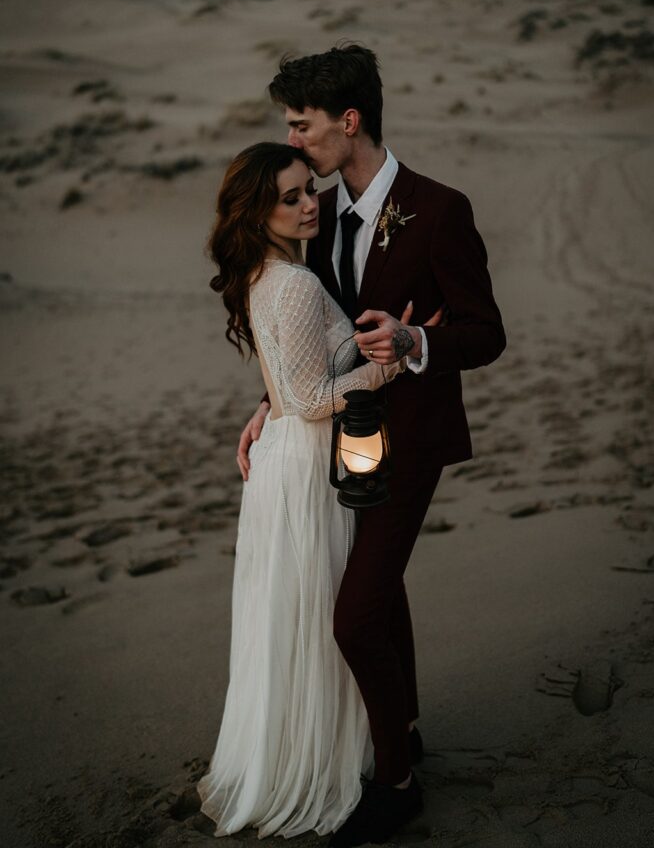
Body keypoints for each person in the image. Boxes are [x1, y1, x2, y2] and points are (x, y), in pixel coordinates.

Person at [238, 45, 506, 847]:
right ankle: (408, 724)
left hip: (412, 436)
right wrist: (270, 403)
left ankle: (394, 781)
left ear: (346, 122)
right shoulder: (315, 215)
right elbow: (313, 336)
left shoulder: (439, 208)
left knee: (354, 616)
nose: (294, 139)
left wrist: (413, 347)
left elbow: (486, 333)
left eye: (302, 124)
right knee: (378, 591)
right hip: (339, 439)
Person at [197, 141, 416, 838]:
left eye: (305, 192)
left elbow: (294, 381)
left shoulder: (267, 275)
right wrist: (395, 363)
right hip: (301, 467)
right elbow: (312, 394)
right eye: (288, 198)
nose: (305, 205)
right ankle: (328, 761)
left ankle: (331, 746)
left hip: (289, 457)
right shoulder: (290, 283)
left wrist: (274, 402)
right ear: (256, 210)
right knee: (317, 618)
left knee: (299, 617)